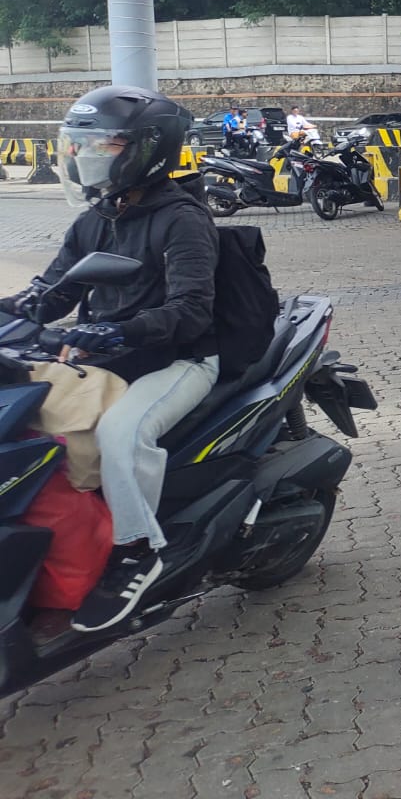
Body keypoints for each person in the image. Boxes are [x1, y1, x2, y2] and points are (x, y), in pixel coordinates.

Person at [0, 86, 218, 630]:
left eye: (106, 144)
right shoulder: (94, 219)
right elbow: (52, 292)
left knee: (122, 434)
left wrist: (117, 330)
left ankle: (137, 550)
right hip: (112, 356)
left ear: (149, 149)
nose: (87, 155)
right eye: (81, 144)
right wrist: (17, 308)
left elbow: (191, 311)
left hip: (180, 359)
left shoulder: (183, 219)